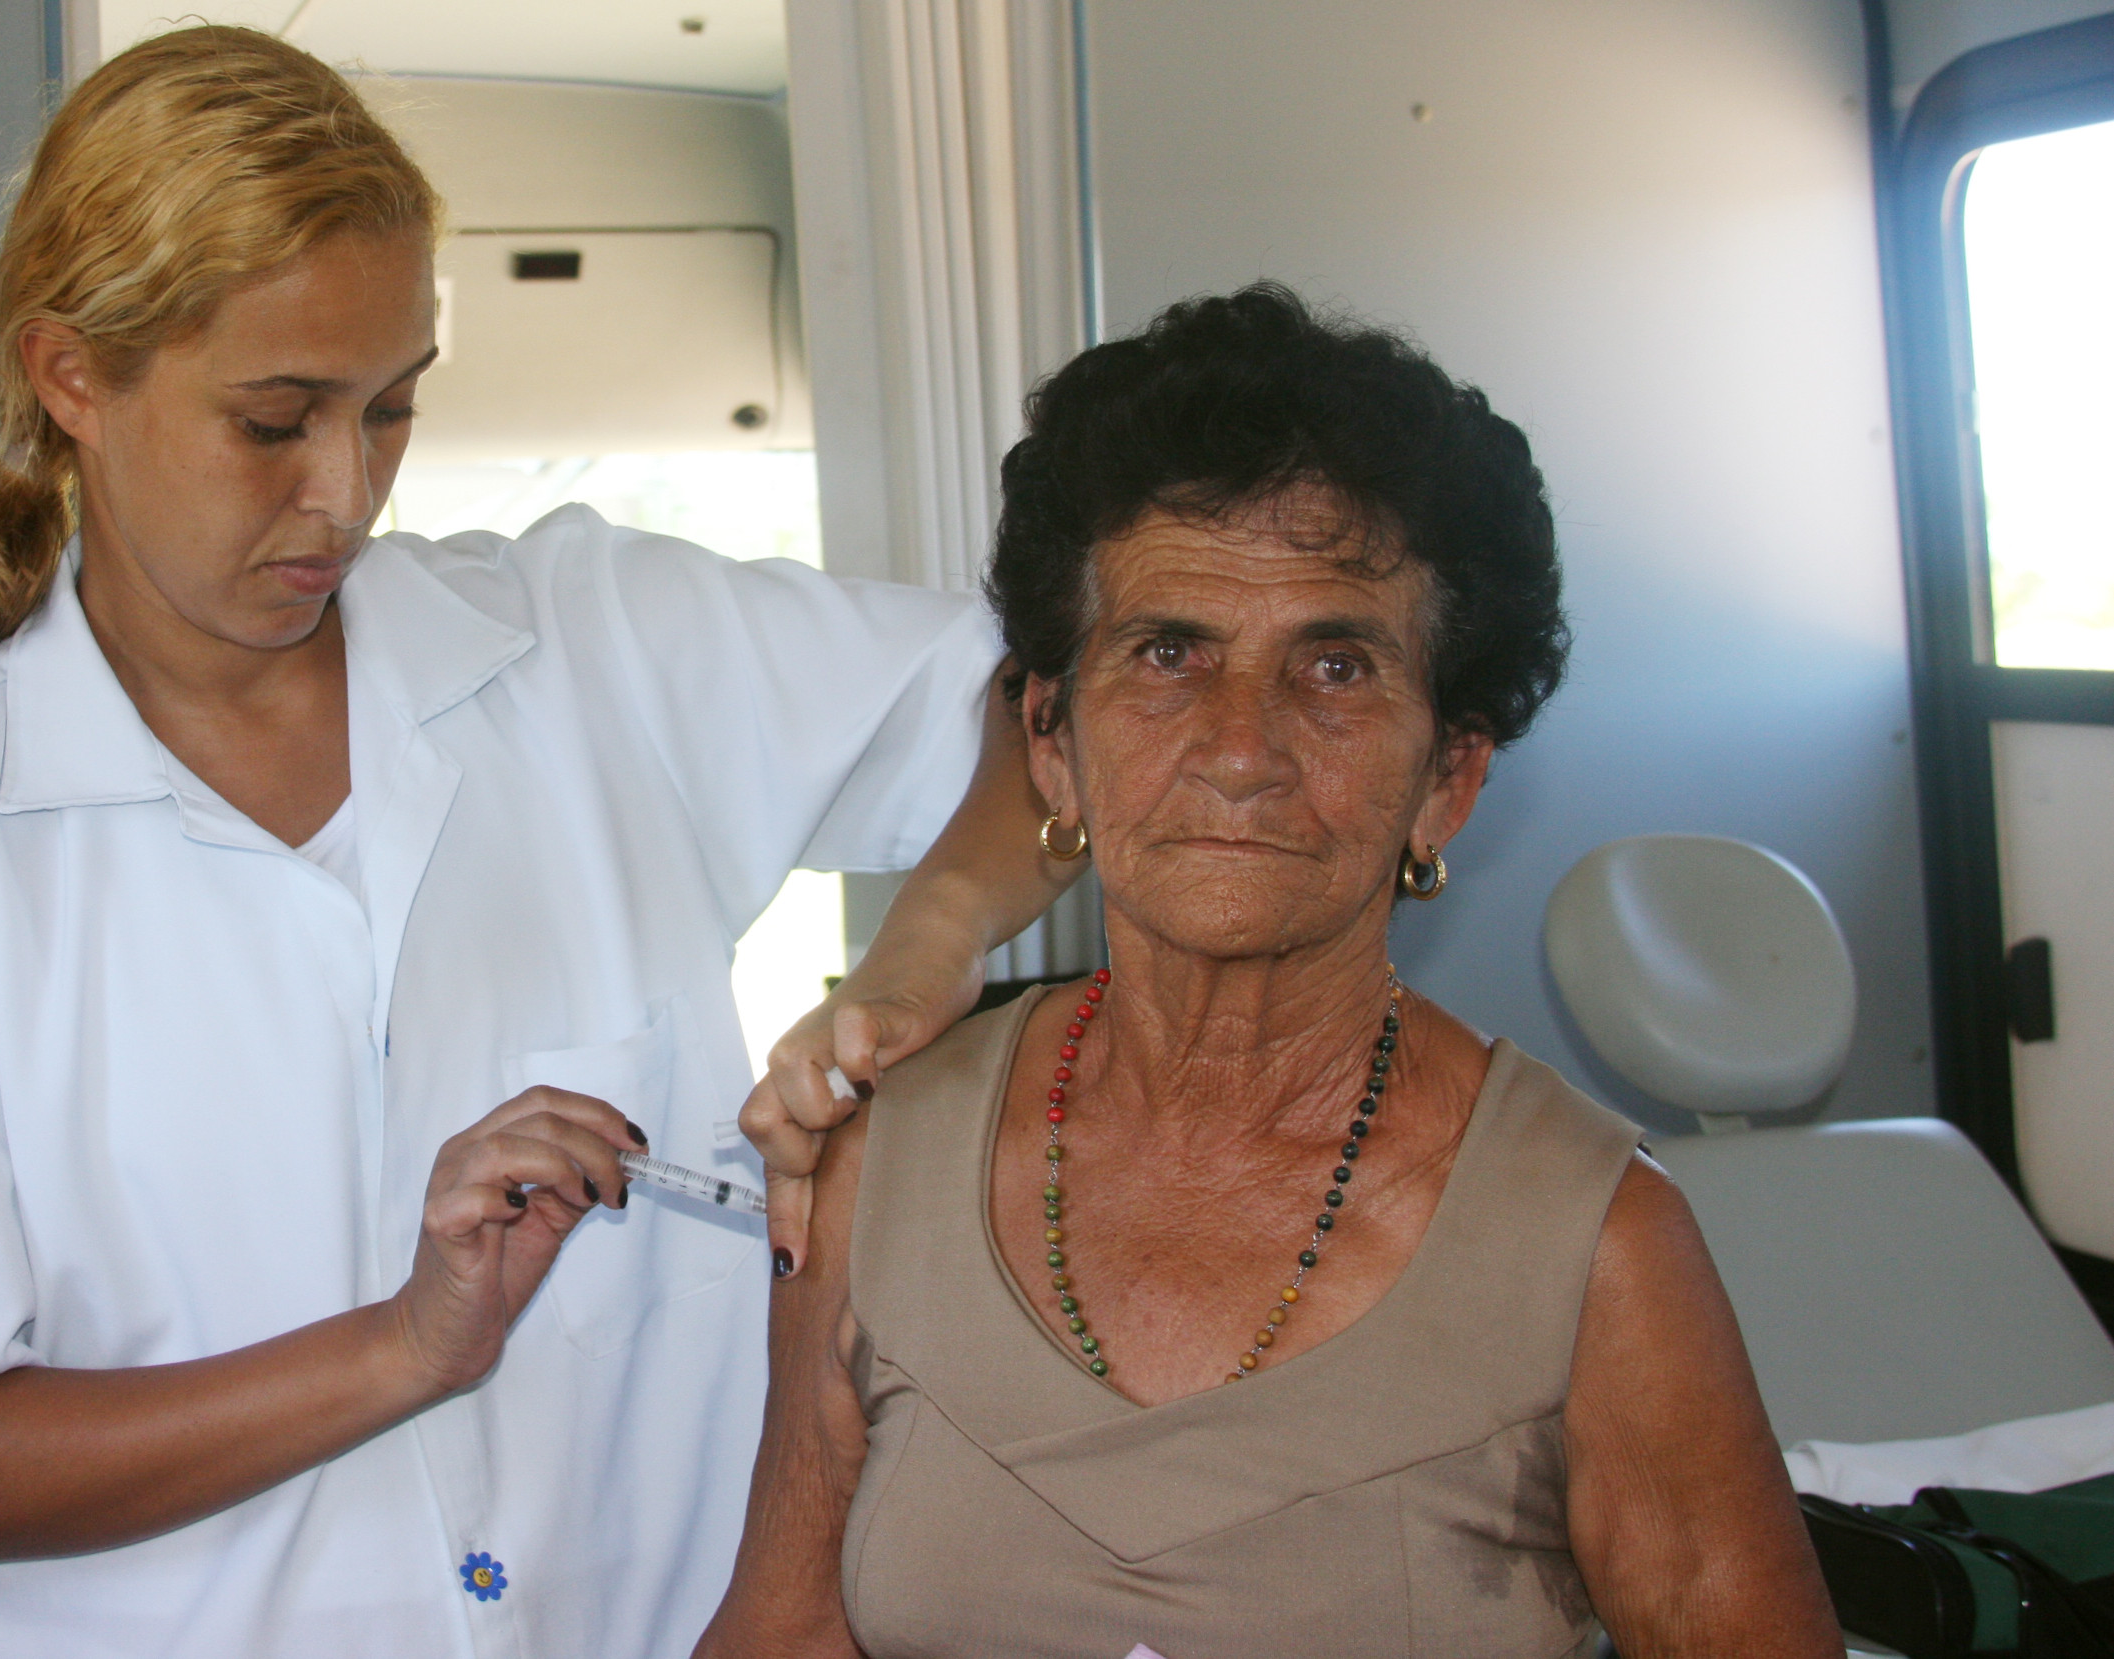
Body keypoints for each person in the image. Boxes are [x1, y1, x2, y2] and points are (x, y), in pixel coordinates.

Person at [0, 28, 1076, 1658]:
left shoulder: (590, 644)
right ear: (73, 378)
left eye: (391, 411)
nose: (346, 493)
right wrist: (405, 1345)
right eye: (276, 421)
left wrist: (918, 954)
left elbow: (1056, 708)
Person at [697, 285, 1847, 1658]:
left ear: (1450, 778)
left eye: (1338, 667)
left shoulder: (1597, 1244)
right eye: (1168, 653)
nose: (1242, 749)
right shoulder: (880, 1163)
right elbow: (781, 1636)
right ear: (1053, 744)